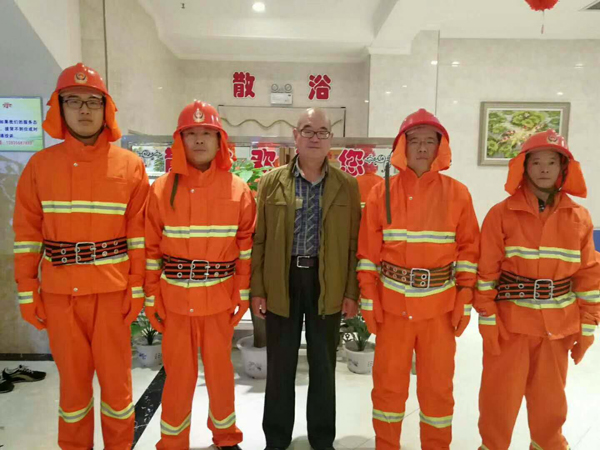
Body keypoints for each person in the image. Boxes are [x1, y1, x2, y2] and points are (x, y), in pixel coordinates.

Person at [13, 63, 149, 449]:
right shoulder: (40, 167)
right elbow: (27, 236)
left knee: (118, 390)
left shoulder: (130, 166)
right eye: (74, 101)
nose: (84, 110)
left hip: (111, 295)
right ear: (59, 107)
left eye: (93, 101)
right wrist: (27, 291)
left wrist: (136, 287)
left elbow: (139, 235)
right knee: (72, 392)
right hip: (60, 296)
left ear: (107, 108)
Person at [357, 109, 479, 450]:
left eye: (429, 141)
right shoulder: (381, 193)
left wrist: (464, 298)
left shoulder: (458, 194)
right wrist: (369, 299)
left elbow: (469, 250)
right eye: (414, 141)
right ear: (402, 146)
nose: (422, 148)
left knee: (438, 389)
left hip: (439, 309)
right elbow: (367, 252)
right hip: (392, 308)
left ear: (441, 147)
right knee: (387, 388)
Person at [476, 129, 600, 450]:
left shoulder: (579, 218)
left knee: (550, 402)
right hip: (510, 326)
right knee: (498, 399)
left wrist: (588, 326)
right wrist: (487, 318)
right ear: (524, 167)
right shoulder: (501, 214)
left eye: (552, 162)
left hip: (558, 327)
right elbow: (486, 272)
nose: (544, 169)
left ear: (563, 169)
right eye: (536, 162)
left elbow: (589, 276)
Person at [144, 100, 255, 450]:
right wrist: (151, 297)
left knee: (221, 375)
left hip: (218, 300)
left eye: (207, 132)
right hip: (175, 301)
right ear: (180, 140)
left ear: (220, 139)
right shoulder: (161, 189)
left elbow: (246, 249)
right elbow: (150, 250)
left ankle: (226, 437)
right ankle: (172, 441)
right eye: (191, 133)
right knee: (178, 377)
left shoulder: (238, 189)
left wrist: (242, 294)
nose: (199, 140)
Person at [251, 107, 361, 450]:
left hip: (327, 282)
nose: (315, 137)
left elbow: (354, 245)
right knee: (280, 364)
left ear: (331, 138)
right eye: (308, 130)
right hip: (281, 280)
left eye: (322, 131)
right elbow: (260, 239)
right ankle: (276, 438)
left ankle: (322, 439)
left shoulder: (347, 186)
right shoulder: (271, 182)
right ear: (295, 136)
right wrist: (258, 289)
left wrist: (351, 291)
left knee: (323, 364)